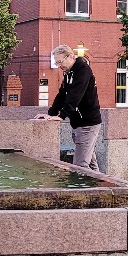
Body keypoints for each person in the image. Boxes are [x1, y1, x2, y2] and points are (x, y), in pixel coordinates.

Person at [34, 44, 102, 172]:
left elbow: (75, 95)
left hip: (87, 123)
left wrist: (61, 116)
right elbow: (61, 95)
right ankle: (102, 188)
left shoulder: (83, 70)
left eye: (60, 62)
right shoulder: (68, 73)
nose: (59, 66)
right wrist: (50, 114)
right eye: (56, 62)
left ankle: (84, 190)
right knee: (91, 164)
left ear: (70, 56)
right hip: (78, 124)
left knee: (80, 166)